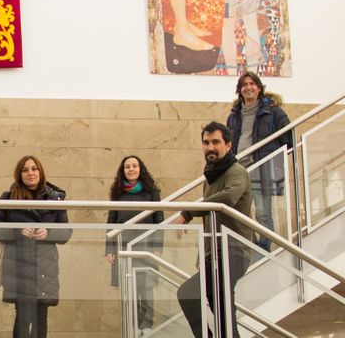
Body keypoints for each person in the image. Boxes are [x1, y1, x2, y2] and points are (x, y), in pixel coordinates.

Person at [175, 122, 252, 338]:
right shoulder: (210, 178)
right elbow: (210, 221)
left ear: (228, 145)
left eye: (216, 142)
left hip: (233, 250)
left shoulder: (237, 172)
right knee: (222, 312)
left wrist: (188, 211)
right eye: (206, 142)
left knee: (190, 294)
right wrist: (204, 255)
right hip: (216, 253)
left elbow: (227, 199)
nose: (210, 147)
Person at [0, 155, 71, 338]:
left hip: (45, 267)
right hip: (19, 266)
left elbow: (66, 233)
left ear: (40, 172)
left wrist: (48, 232)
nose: (30, 173)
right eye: (25, 170)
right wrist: (16, 231)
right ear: (19, 175)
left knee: (41, 318)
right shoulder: (9, 197)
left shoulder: (55, 199)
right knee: (23, 317)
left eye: (34, 168)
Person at [226, 71, 291, 251]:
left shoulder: (273, 111)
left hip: (262, 168)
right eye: (244, 85)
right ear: (240, 90)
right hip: (239, 169)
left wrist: (275, 161)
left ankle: (264, 247)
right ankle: (250, 244)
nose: (248, 87)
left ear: (259, 88)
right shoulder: (234, 115)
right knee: (240, 212)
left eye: (252, 84)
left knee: (262, 212)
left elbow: (289, 140)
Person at [105, 156, 164, 334]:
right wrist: (109, 248)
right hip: (123, 246)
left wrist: (157, 246)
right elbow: (111, 222)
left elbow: (159, 219)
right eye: (127, 167)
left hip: (146, 245)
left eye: (134, 166)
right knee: (128, 291)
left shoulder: (151, 191)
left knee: (146, 289)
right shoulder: (118, 193)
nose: (131, 169)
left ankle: (146, 326)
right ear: (123, 171)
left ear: (140, 169)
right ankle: (131, 326)